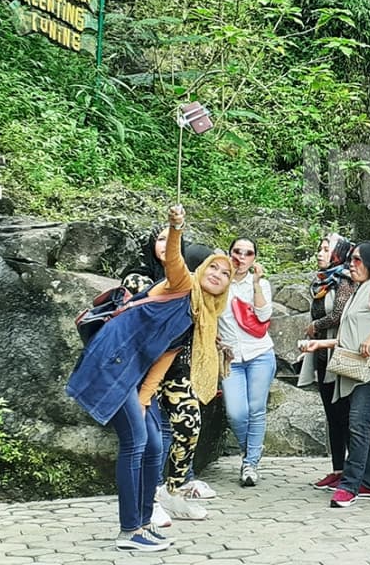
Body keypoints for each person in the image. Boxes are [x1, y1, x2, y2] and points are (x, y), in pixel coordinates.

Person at [67, 204, 226, 552]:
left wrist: (142, 401)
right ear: (198, 269)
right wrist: (176, 227)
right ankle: (130, 531)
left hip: (134, 373)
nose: (217, 274)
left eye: (225, 272)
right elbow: (174, 259)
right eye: (212, 267)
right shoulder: (182, 284)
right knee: (136, 441)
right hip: (113, 360)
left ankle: (142, 523)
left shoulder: (197, 315)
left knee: (153, 445)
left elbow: (161, 363)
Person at [298, 240, 370, 508]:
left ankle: (349, 486)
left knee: (357, 422)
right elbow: (350, 337)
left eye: (358, 260)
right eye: (351, 259)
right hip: (359, 367)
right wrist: (319, 344)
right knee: (366, 425)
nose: (352, 264)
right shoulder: (358, 290)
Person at [296, 233, 356, 490]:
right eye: (319, 249)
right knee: (332, 416)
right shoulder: (323, 281)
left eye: (325, 249)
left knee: (344, 415)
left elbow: (339, 314)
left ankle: (355, 472)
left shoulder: (345, 280)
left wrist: (315, 326)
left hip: (339, 354)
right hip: (322, 357)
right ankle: (338, 469)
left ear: (338, 253)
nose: (319, 254)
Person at [218, 237, 275, 487]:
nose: (241, 257)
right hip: (231, 357)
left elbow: (264, 315)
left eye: (248, 253)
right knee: (236, 413)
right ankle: (252, 451)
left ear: (254, 259)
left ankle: (250, 464)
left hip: (260, 354)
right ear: (229, 253)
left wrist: (256, 284)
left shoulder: (260, 283)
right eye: (237, 251)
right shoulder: (218, 282)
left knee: (256, 409)